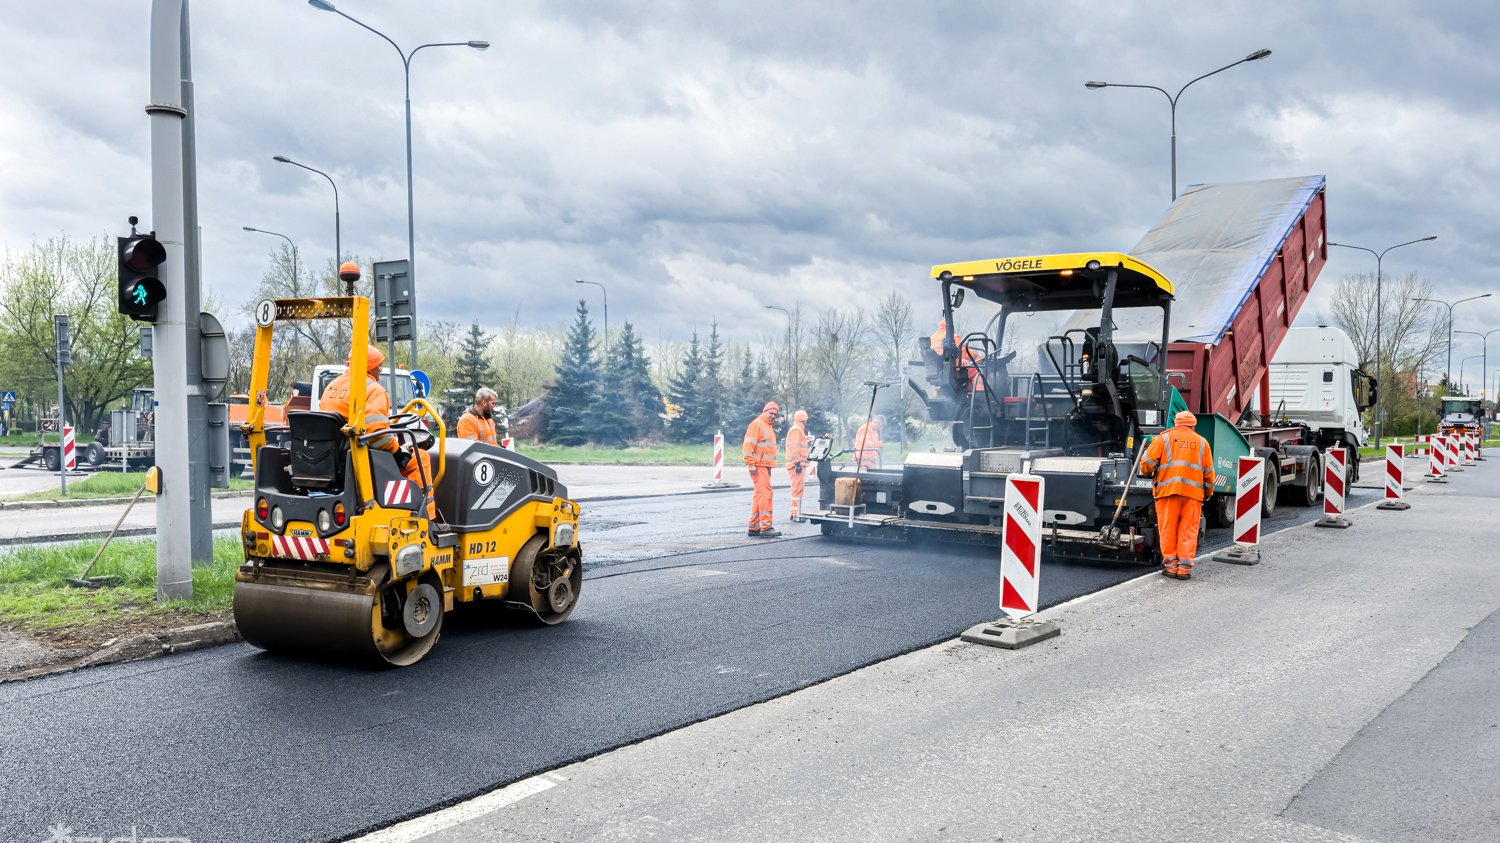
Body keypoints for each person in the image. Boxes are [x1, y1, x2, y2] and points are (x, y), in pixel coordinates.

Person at [320, 344, 434, 518]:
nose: (380, 370)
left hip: (332, 459)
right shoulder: (373, 390)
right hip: (362, 458)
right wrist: (397, 451)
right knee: (421, 458)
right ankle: (424, 517)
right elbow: (377, 433)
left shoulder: (331, 387)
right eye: (378, 366)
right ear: (370, 368)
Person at [1139, 410, 1216, 580]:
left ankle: (1171, 567)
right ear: (1193, 425)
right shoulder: (1202, 443)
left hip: (1168, 492)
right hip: (1193, 495)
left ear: (1176, 423)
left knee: (1168, 529)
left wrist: (1146, 472)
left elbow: (1147, 463)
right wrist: (1208, 493)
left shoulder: (1164, 438)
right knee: (1188, 531)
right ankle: (1184, 570)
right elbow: (1209, 474)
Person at [742, 401, 781, 538]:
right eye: (771, 413)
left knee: (759, 495)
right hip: (758, 465)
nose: (773, 416)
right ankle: (766, 527)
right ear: (765, 411)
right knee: (766, 494)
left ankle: (754, 527)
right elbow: (748, 447)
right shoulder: (757, 424)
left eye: (775, 414)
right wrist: (750, 464)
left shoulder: (767, 425)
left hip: (765, 465)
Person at [784, 409, 809, 522]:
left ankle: (794, 513)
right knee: (797, 490)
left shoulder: (797, 430)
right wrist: (797, 464)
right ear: (804, 420)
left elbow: (797, 446)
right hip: (796, 465)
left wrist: (806, 441)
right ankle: (795, 514)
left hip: (796, 464)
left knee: (797, 490)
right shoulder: (797, 430)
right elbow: (795, 449)